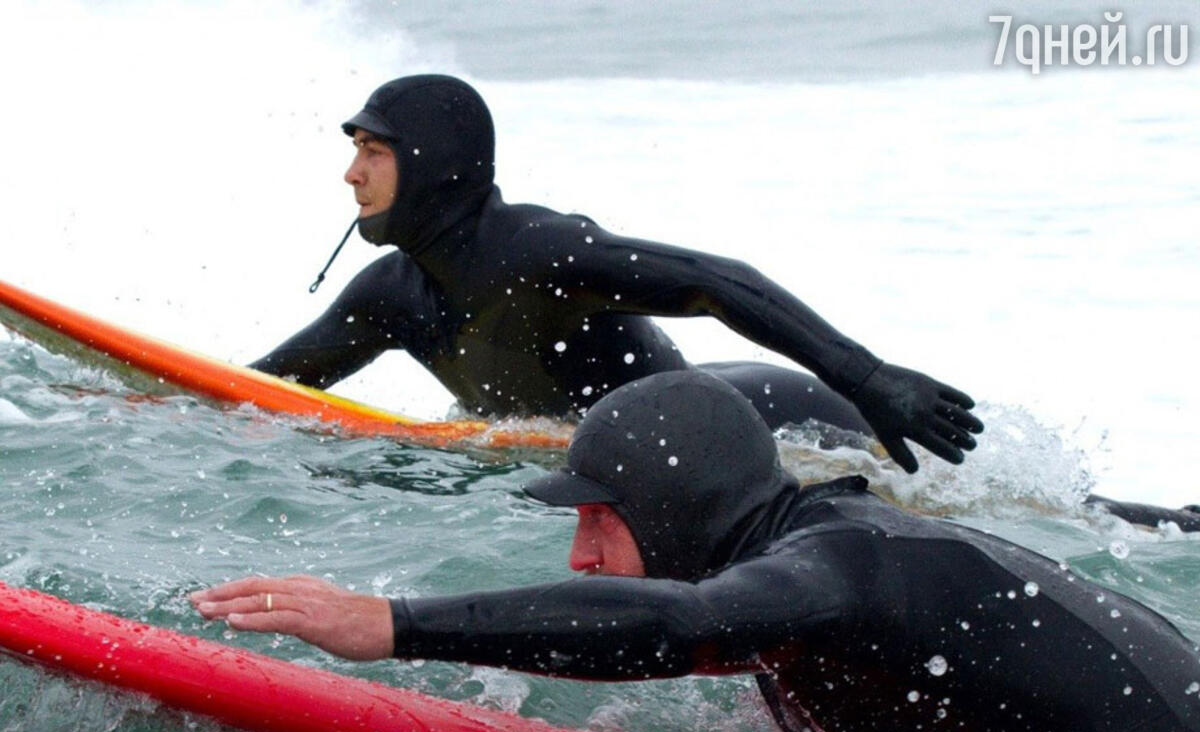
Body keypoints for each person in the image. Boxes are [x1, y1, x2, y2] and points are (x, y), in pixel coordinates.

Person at [193, 371, 1200, 732]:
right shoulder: (806, 564)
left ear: (680, 506)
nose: (579, 555)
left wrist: (390, 623)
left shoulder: (840, 565)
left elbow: (676, 623)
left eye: (601, 515)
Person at [250, 73, 985, 474]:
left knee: (974, 493)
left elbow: (716, 280)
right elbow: (258, 394)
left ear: (433, 163)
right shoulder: (391, 299)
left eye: (374, 151)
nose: (351, 174)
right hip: (615, 454)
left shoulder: (538, 254)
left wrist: (868, 377)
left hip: (762, 417)